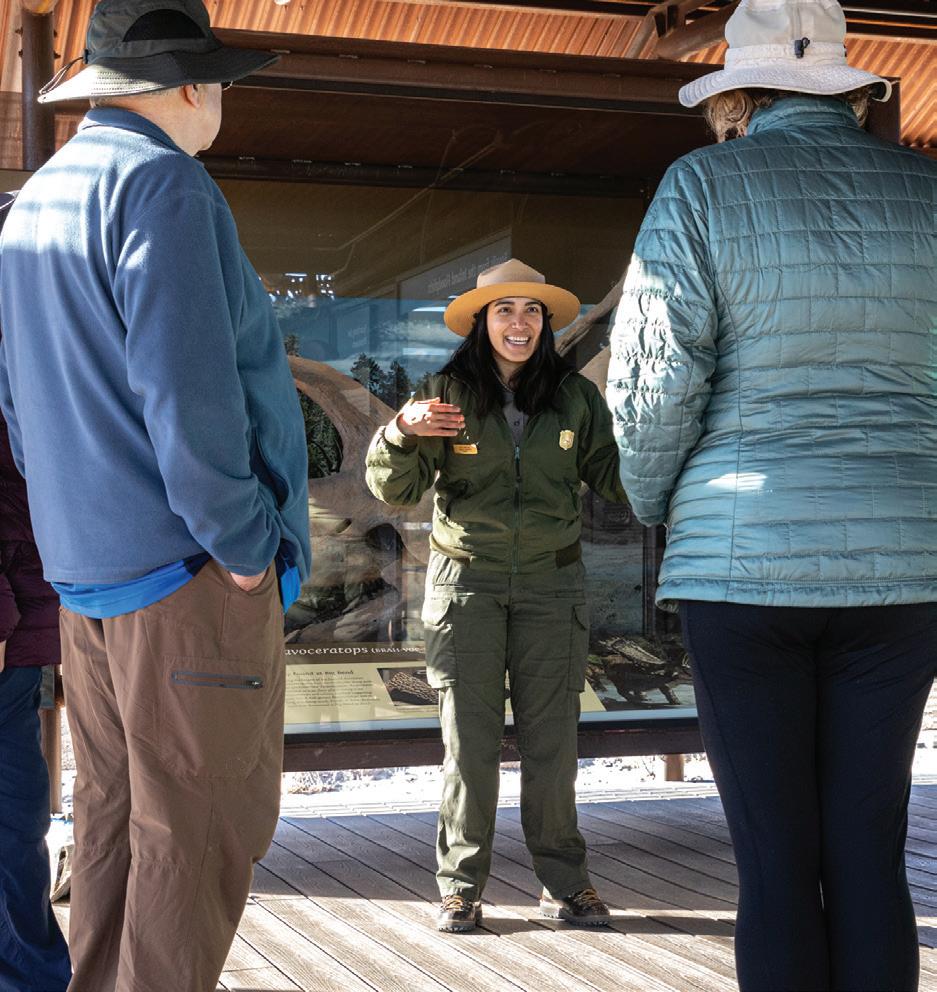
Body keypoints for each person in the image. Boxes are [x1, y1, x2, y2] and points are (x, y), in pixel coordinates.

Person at [606, 0, 937, 989]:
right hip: (904, 564)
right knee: (870, 848)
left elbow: (656, 374)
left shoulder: (702, 185)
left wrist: (655, 501)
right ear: (844, 90)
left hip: (743, 562)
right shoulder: (926, 191)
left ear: (737, 94)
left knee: (775, 862)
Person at [0, 3, 310, 990]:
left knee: (116, 830)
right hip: (186, 575)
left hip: (87, 578)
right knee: (196, 838)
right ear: (190, 84)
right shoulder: (164, 183)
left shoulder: (38, 200)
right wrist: (245, 547)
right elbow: (190, 392)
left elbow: (17, 405)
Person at [367, 258, 628, 933]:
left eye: (531, 310)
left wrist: (662, 439)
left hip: (552, 587)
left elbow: (615, 479)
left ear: (545, 322)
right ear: (481, 322)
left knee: (553, 746)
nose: (520, 322)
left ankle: (565, 884)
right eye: (504, 310)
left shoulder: (575, 398)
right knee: (469, 747)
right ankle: (460, 886)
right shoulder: (444, 394)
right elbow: (394, 489)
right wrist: (400, 432)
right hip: (466, 589)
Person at [0, 191, 71, 992]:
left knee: (19, 818)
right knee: (12, 819)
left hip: (24, 629)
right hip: (5, 630)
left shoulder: (27, 342)